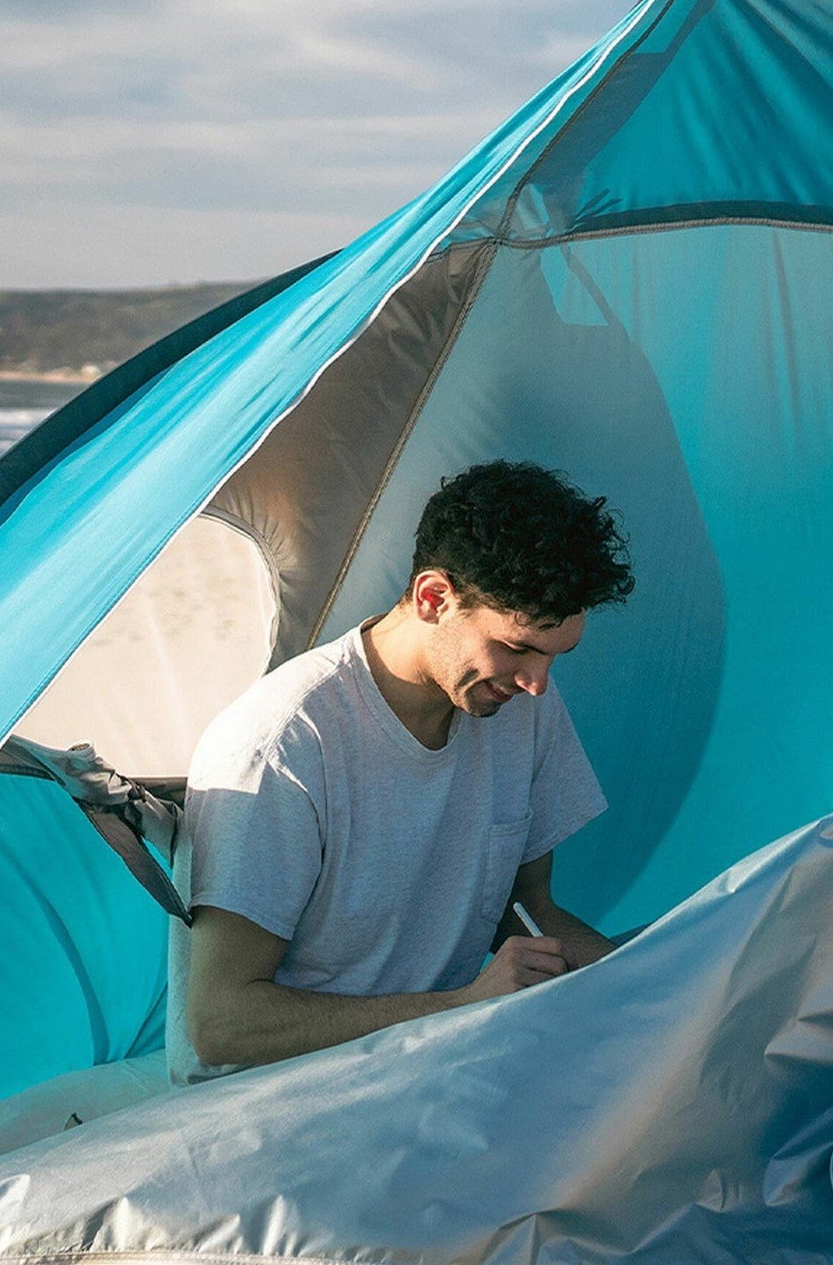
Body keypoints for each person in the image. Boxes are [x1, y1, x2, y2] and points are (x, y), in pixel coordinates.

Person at [168, 460, 635, 1084]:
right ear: (433, 598)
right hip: (274, 1109)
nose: (536, 683)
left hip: (431, 1069)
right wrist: (459, 1008)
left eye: (555, 656)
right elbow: (223, 1024)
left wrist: (661, 983)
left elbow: (523, 908)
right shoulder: (283, 745)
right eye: (517, 647)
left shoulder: (521, 706)